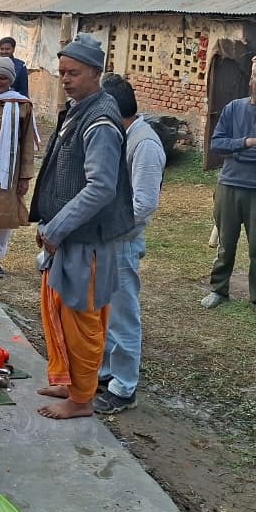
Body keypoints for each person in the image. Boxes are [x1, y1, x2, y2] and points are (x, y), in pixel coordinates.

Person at [30, 34, 135, 420]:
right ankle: (69, 382)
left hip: (85, 240)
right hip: (67, 238)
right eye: (62, 73)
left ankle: (81, 400)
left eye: (73, 73)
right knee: (60, 313)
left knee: (82, 321)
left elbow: (101, 187)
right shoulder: (80, 109)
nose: (66, 79)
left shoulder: (101, 120)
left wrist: (56, 228)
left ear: (95, 72)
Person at [93, 74, 165, 414]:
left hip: (122, 240)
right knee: (106, 311)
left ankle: (124, 387)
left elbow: (145, 203)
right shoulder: (121, 136)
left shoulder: (145, 143)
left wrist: (110, 228)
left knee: (123, 316)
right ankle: (108, 372)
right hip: (108, 238)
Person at [202, 54, 256, 321]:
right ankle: (218, 290)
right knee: (225, 244)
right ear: (251, 80)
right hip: (229, 184)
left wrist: (234, 151)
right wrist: (245, 143)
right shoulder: (233, 108)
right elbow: (216, 143)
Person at [0, 56, 38, 278]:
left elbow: (27, 143)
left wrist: (24, 177)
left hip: (9, 172)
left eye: (3, 78)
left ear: (11, 80)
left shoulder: (22, 105)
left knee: (3, 217)